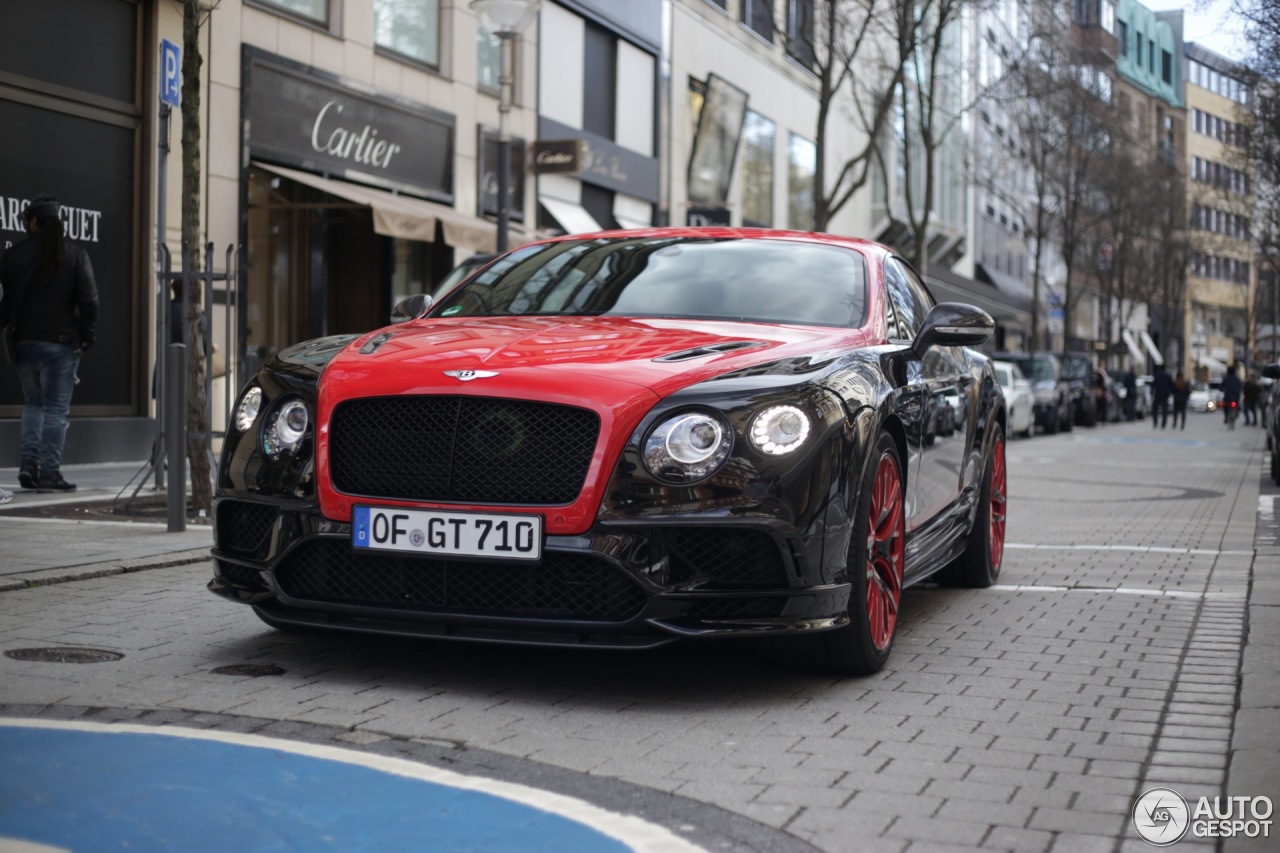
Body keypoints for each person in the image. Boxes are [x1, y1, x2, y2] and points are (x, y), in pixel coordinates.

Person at [0, 194, 98, 493]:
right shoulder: (74, 255)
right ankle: (49, 472)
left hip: (23, 342)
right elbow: (90, 301)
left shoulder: (13, 255)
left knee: (33, 404)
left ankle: (28, 466)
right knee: (56, 410)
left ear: (33, 222)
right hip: (60, 345)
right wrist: (87, 334)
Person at [1151, 363, 1173, 429]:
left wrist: (1152, 393)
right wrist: (1169, 393)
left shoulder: (1157, 375)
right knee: (1164, 410)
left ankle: (1155, 423)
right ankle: (1163, 424)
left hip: (1158, 394)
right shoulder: (1167, 376)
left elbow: (1153, 385)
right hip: (1165, 395)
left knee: (1155, 409)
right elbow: (1171, 386)